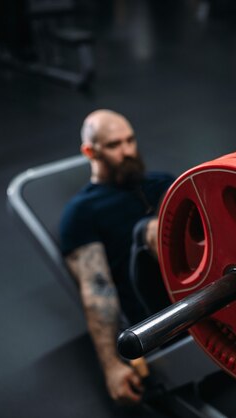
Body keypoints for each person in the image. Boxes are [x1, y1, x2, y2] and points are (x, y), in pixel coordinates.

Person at [60, 109, 175, 404]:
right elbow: (97, 289)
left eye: (130, 140)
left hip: (203, 281)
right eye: (114, 145)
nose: (127, 151)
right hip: (158, 311)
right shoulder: (82, 211)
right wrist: (112, 365)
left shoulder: (160, 183)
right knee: (149, 230)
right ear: (90, 151)